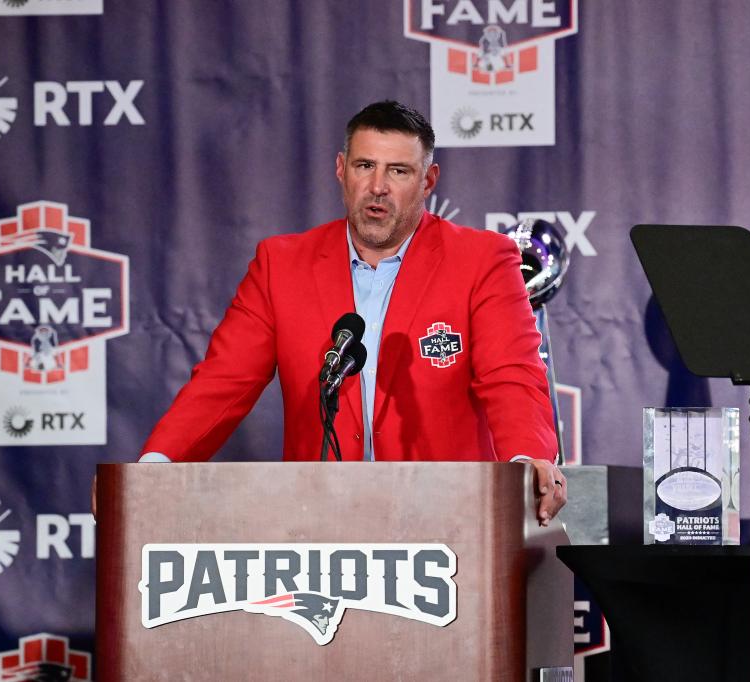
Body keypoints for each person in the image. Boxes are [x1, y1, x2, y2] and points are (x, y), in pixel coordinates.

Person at [139, 101, 566, 524]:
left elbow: (511, 376)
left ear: (428, 180)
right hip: (319, 523)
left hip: (449, 520)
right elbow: (223, 381)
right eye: (365, 166)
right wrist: (152, 470)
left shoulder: (482, 260)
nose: (378, 186)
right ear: (341, 169)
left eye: (398, 171)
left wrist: (526, 461)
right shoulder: (281, 264)